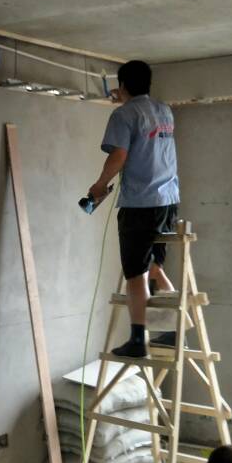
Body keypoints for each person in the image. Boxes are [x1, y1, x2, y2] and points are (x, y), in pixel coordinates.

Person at [87, 59, 179, 358]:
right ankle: (173, 331)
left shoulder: (123, 115)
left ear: (123, 84)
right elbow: (145, 129)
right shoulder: (164, 110)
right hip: (168, 200)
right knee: (154, 265)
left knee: (136, 274)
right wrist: (126, 99)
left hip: (140, 203)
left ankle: (138, 339)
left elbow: (119, 154)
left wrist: (100, 185)